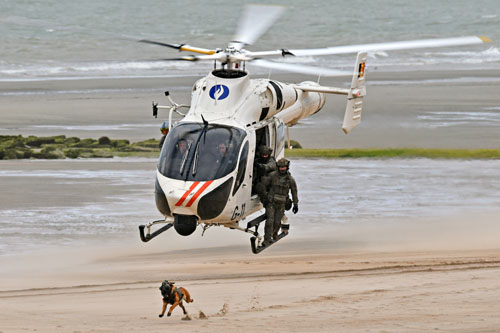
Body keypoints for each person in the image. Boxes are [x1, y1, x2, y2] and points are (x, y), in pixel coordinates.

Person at [262, 158, 298, 246]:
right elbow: (263, 186)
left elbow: (294, 192)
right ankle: (267, 239)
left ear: (287, 167)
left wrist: (295, 204)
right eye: (281, 167)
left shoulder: (290, 180)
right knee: (269, 221)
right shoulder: (272, 176)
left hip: (281, 204)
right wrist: (264, 198)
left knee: (277, 222)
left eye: (284, 167)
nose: (282, 169)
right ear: (278, 167)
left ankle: (274, 233)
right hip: (271, 202)